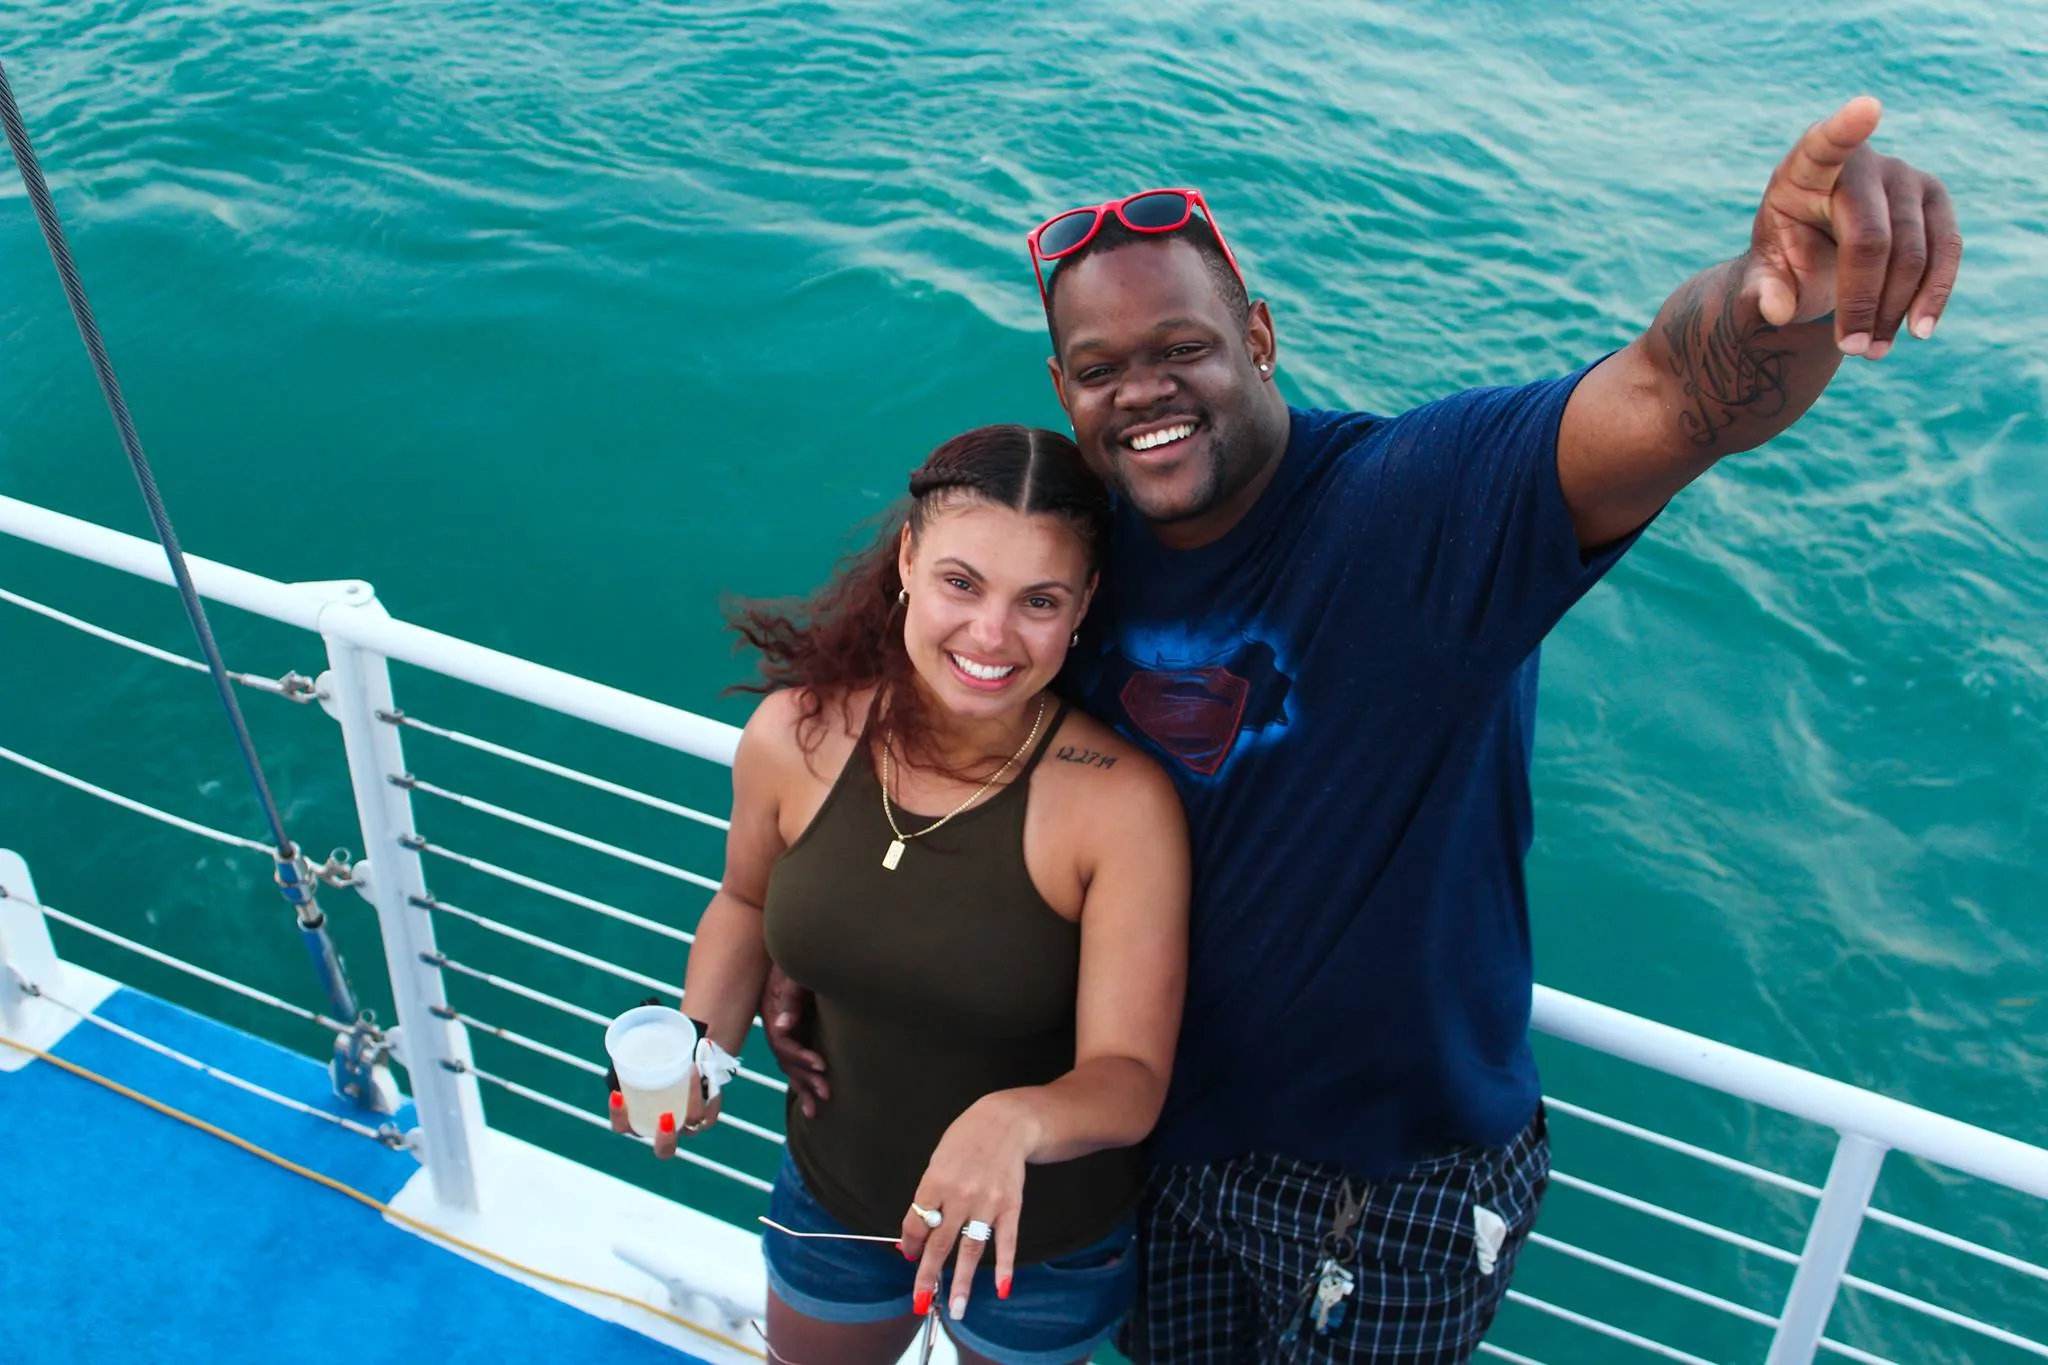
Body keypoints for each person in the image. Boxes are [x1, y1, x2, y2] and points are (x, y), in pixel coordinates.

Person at [765, 97, 1962, 1362]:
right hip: (1165, 1145)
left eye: (1182, 347)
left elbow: (1672, 397)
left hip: (1400, 1189)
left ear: (1260, 336)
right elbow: (946, 754)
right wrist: (840, 944)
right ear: (1064, 392)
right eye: (1103, 369)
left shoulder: (1418, 507)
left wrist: (1788, 290)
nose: (1145, 391)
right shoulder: (1066, 574)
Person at [611, 424, 1190, 1365]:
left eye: (1038, 600)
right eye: (962, 582)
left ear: (1084, 606)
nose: (992, 635)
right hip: (833, 1197)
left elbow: (1129, 1077)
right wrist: (700, 1050)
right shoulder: (794, 734)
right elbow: (747, 903)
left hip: (1036, 1248)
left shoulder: (1119, 804)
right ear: (910, 561)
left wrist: (1017, 1116)